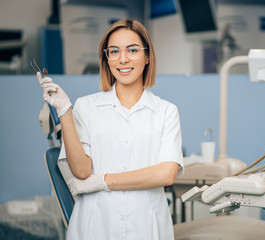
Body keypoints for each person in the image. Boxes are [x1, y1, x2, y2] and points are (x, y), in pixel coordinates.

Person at [37, 18, 184, 239]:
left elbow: (167, 174)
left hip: (146, 224)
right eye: (114, 51)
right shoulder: (86, 107)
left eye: (132, 50)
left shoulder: (166, 111)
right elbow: (82, 171)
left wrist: (102, 181)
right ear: (106, 58)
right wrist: (65, 109)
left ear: (147, 56)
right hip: (95, 223)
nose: (122, 59)